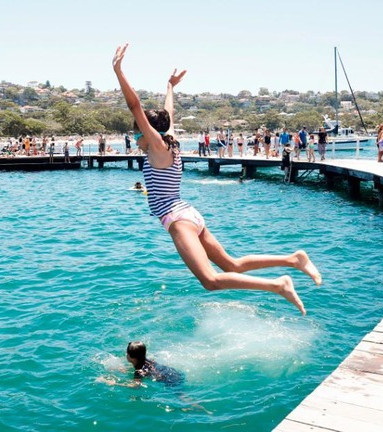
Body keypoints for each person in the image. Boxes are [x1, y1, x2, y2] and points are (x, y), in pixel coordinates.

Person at [113, 44, 321, 315]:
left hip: (178, 220)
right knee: (231, 265)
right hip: (188, 213)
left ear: (148, 132)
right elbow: (169, 113)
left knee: (210, 280)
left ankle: (278, 285)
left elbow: (134, 105)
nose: (136, 139)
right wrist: (169, 86)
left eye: (138, 133)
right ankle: (293, 259)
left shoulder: (157, 146)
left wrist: (118, 71)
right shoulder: (170, 140)